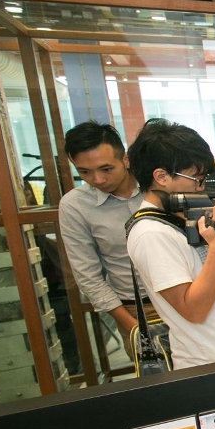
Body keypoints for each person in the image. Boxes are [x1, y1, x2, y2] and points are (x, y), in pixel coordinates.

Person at [124, 119, 215, 369]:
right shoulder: (150, 233)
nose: (200, 188)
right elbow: (194, 310)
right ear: (161, 176)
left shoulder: (186, 214)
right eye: (196, 179)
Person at [57, 122, 145, 344]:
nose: (97, 180)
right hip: (134, 308)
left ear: (125, 159)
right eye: (84, 172)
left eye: (106, 169)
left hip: (187, 295)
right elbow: (87, 275)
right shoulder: (75, 205)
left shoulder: (156, 185)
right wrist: (132, 326)